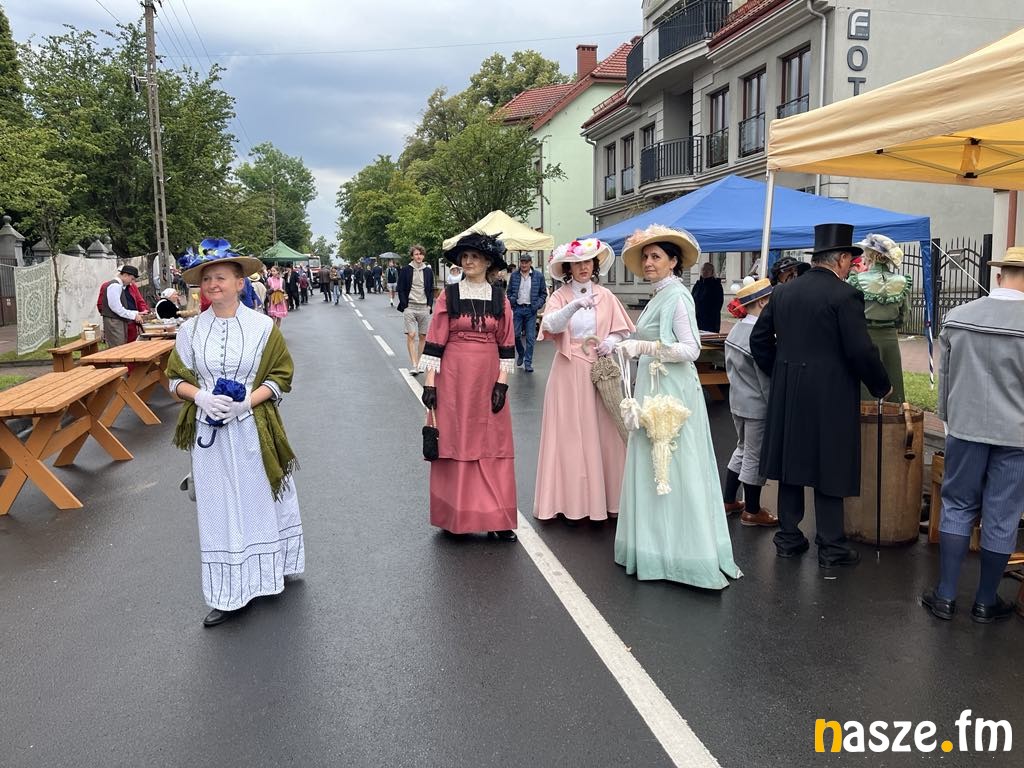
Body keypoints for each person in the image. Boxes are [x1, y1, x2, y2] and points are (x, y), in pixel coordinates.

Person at [165, 249, 303, 628]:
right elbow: (174, 380)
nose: (213, 284)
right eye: (207, 279)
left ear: (240, 283)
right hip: (210, 434)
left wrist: (245, 404)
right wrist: (201, 397)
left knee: (260, 500)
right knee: (218, 508)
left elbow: (281, 376)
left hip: (254, 427)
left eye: (221, 277)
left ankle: (270, 571)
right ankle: (228, 593)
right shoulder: (190, 331)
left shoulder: (263, 327)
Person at [750, 223, 891, 568]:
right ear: (841, 259)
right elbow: (860, 350)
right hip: (831, 391)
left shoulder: (782, 292)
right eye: (850, 261)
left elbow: (759, 341)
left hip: (789, 389)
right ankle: (831, 546)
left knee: (791, 461)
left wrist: (780, 371)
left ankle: (788, 538)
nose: (851, 267)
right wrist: (881, 385)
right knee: (830, 462)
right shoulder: (845, 295)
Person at [614, 224, 742, 589]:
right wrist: (624, 344)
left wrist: (645, 348)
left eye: (656, 256)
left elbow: (691, 349)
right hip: (653, 387)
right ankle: (653, 547)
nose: (648, 262)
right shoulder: (658, 294)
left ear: (673, 262)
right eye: (645, 256)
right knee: (653, 464)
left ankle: (684, 552)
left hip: (671, 394)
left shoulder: (678, 296)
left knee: (674, 465)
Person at [921, 246, 1024, 623]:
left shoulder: (959, 317)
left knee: (957, 505)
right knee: (1003, 514)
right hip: (1017, 435)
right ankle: (985, 600)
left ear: (998, 276)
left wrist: (950, 421)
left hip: (966, 428)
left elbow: (945, 378)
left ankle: (946, 595)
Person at [418, 232, 516, 541]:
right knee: (455, 441)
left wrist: (502, 384)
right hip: (453, 378)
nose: (469, 261)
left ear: (488, 262)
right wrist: (430, 385)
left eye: (475, 256)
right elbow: (435, 340)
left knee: (492, 443)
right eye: (465, 256)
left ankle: (498, 519)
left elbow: (507, 344)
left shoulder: (500, 298)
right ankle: (455, 517)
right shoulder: (448, 296)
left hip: (488, 377)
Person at [533, 239, 634, 524]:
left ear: (594, 265)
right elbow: (550, 325)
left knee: (605, 432)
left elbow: (622, 329)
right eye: (577, 263)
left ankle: (608, 499)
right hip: (568, 370)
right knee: (569, 435)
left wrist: (610, 341)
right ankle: (569, 501)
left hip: (599, 369)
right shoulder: (560, 295)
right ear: (568, 268)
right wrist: (574, 306)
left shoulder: (606, 295)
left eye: (587, 262)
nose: (583, 267)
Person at [721, 277, 778, 527]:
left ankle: (729, 500)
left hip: (738, 401)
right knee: (755, 455)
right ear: (762, 302)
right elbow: (764, 380)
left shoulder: (736, 330)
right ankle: (752, 510)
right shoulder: (759, 336)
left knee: (742, 449)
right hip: (757, 404)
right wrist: (774, 405)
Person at [848, 233, 911, 402]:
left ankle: (864, 413)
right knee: (892, 376)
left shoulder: (857, 280)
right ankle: (893, 414)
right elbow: (904, 316)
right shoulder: (901, 282)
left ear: (870, 255)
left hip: (865, 336)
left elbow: (850, 313)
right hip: (890, 338)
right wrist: (891, 324)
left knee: (865, 380)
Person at [397, 244, 434, 374]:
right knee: (411, 335)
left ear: (423, 256)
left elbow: (431, 289)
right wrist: (405, 305)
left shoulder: (428, 271)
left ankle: (419, 363)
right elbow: (400, 288)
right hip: (410, 307)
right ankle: (414, 364)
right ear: (412, 256)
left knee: (423, 336)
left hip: (424, 307)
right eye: (416, 254)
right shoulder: (406, 270)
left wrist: (429, 305)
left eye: (420, 254)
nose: (419, 256)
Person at [506, 253, 546, 373]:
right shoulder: (514, 275)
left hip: (531, 309)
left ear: (530, 263)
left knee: (530, 337)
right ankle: (521, 352)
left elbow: (543, 293)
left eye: (526, 262)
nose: (524, 265)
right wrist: (512, 300)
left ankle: (528, 362)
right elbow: (509, 291)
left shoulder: (538, 276)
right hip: (518, 308)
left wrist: (537, 305)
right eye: (522, 262)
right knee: (515, 335)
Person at [98, 265, 148, 346]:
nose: (132, 282)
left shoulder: (119, 286)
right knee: (117, 347)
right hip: (114, 322)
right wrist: (134, 315)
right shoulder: (115, 286)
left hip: (118, 321)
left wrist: (136, 313)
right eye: (132, 279)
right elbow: (117, 308)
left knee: (122, 345)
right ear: (125, 275)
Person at [691, 261, 724, 332]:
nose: (705, 271)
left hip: (710, 321)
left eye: (708, 269)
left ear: (712, 272)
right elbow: (692, 299)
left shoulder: (716, 285)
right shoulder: (698, 284)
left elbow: (718, 303)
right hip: (697, 319)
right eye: (703, 269)